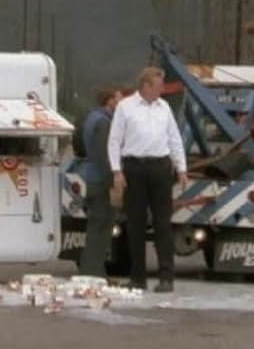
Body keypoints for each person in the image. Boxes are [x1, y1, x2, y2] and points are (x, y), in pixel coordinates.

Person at [107, 67, 188, 293]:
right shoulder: (126, 107)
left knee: (163, 223)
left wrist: (181, 168)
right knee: (136, 224)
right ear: (146, 85)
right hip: (135, 167)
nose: (162, 90)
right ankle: (138, 278)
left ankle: (166, 277)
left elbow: (174, 139)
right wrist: (117, 171)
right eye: (159, 85)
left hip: (160, 167)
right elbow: (114, 141)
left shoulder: (164, 108)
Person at [76, 84, 125, 277]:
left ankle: (94, 271)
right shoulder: (104, 123)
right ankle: (93, 272)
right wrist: (114, 180)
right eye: (119, 99)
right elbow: (104, 156)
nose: (122, 103)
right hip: (100, 181)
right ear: (110, 100)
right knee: (101, 229)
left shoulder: (92, 118)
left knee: (97, 227)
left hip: (92, 179)